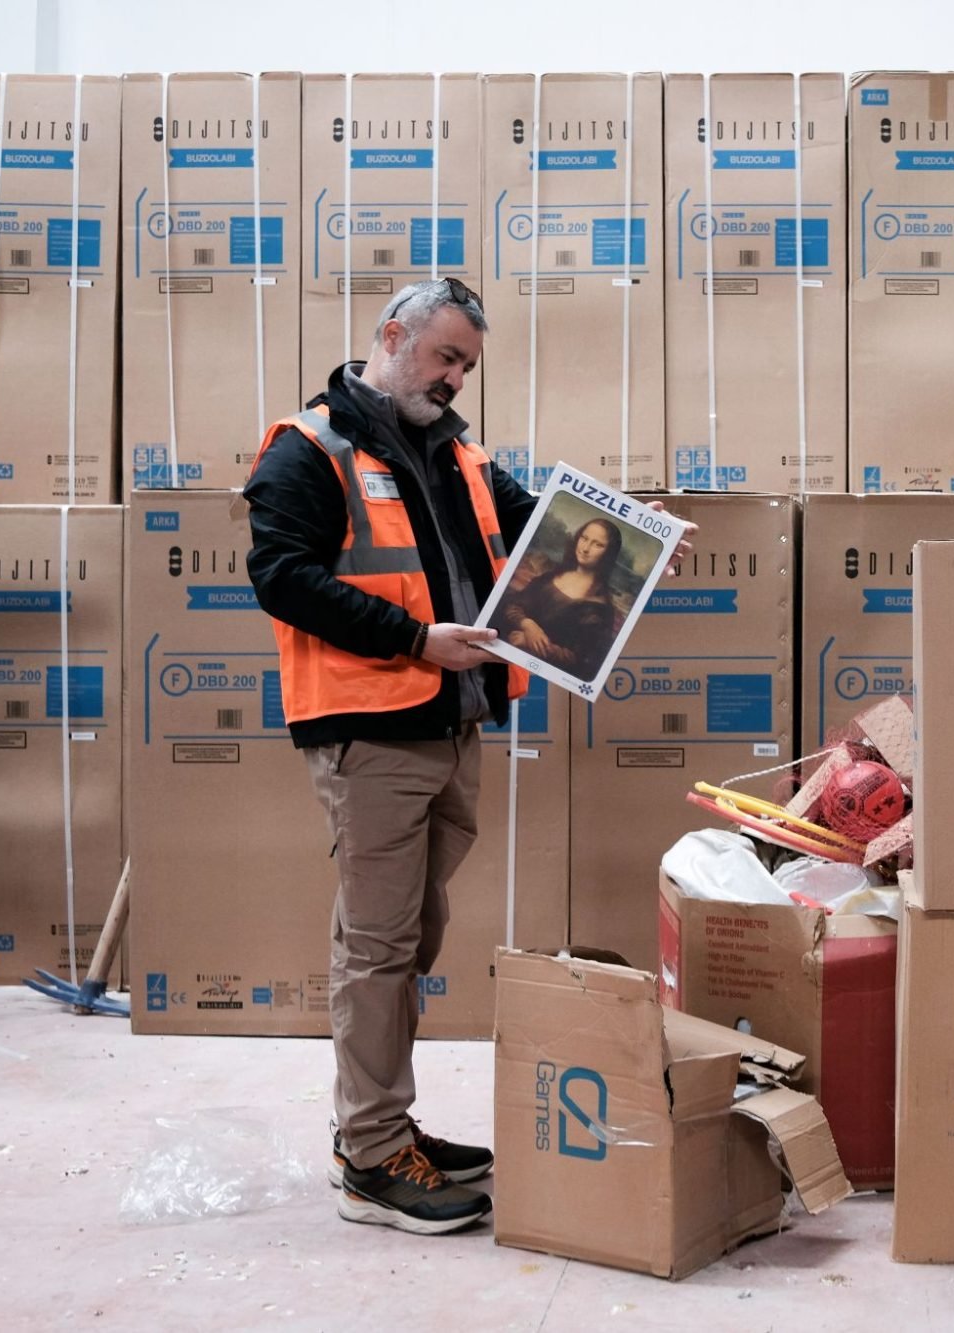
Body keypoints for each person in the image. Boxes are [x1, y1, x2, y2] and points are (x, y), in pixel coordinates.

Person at [244, 278, 688, 1235]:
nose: (454, 379)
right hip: (373, 733)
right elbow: (282, 578)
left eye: (466, 366)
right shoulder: (308, 449)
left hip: (453, 725)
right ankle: (369, 1158)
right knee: (378, 945)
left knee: (412, 939)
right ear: (393, 335)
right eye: (444, 357)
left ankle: (384, 1127)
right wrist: (414, 641)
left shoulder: (463, 455)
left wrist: (635, 544)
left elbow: (545, 539)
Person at [498, 517, 625, 681]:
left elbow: (581, 661)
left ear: (609, 553)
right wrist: (528, 625)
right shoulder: (552, 576)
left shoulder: (599, 609)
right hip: (504, 663)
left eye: (598, 544)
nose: (585, 548)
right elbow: (513, 604)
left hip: (545, 679)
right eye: (584, 538)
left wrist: (530, 642)